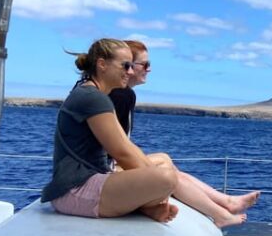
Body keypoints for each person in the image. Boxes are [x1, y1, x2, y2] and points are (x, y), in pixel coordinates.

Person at [109, 39, 259, 225]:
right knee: (167, 173)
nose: (149, 69)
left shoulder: (121, 94)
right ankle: (222, 213)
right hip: (108, 169)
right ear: (128, 66)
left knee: (165, 159)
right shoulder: (121, 95)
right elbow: (117, 147)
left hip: (111, 164)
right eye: (145, 64)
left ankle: (226, 202)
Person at [40, 39, 179, 223]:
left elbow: (127, 147)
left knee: (164, 161)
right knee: (166, 178)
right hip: (74, 190)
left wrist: (151, 184)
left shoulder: (94, 94)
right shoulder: (93, 98)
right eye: (125, 66)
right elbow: (122, 153)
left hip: (87, 180)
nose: (130, 72)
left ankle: (148, 207)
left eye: (131, 66)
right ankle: (149, 206)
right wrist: (157, 188)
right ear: (102, 64)